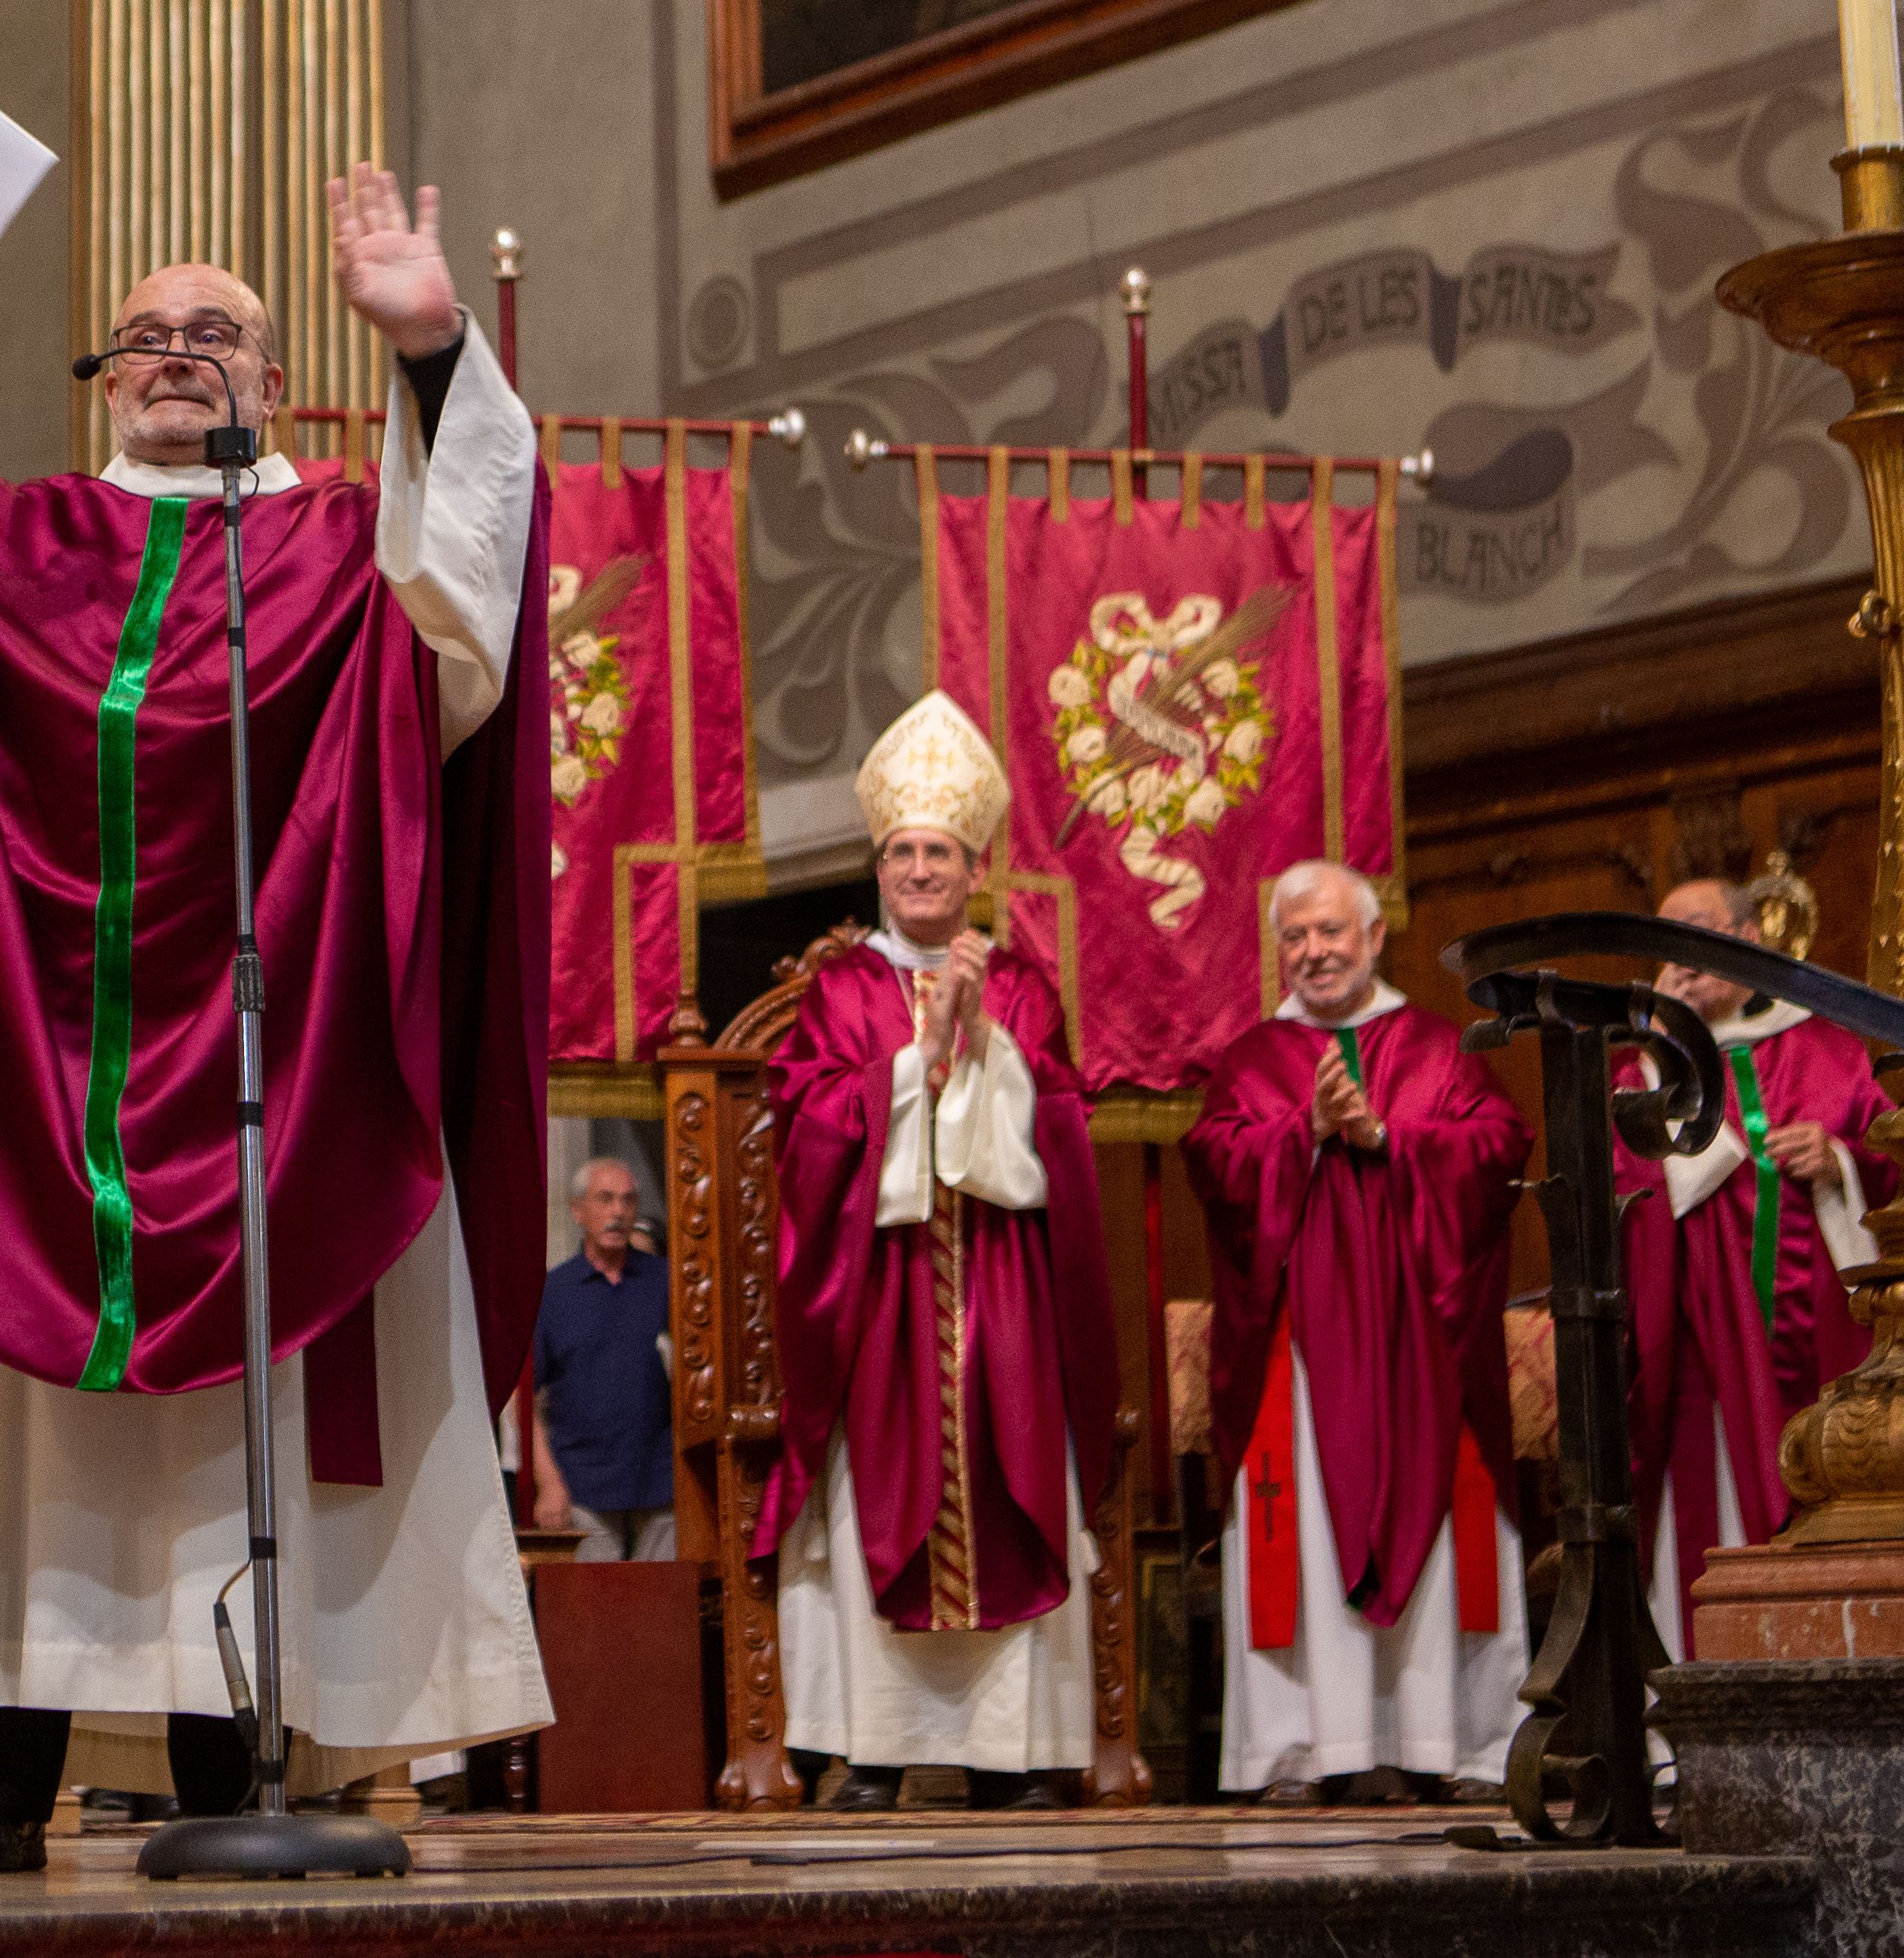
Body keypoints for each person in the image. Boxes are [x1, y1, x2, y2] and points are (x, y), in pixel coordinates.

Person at [0, 165, 553, 1877]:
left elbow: (469, 599)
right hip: (22, 1070)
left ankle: (226, 1753)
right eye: (145, 338)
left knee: (220, 1428)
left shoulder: (336, 550)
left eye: (214, 333)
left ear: (272, 371)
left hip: (272, 1070)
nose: (176, 355)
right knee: (9, 1431)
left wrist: (433, 337)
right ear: (100, 379)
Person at [756, 693, 1115, 1809]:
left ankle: (1011, 1751)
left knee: (1012, 1482)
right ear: (879, 866)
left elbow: (1059, 1119)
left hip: (1000, 1292)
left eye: (941, 853)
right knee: (876, 1497)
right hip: (883, 1298)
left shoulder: (1020, 984)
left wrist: (986, 1042)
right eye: (903, 851)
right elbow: (808, 1124)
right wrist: (911, 1062)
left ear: (975, 869)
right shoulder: (841, 989)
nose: (920, 870)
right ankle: (873, 1746)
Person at [1187, 862, 1532, 1804]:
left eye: (1330, 931)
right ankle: (1300, 1748)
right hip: (1296, 1352)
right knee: (1291, 1522)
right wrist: (1298, 1131)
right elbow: (1213, 1157)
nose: (1312, 951)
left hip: (1423, 1347)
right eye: (1293, 936)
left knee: (1442, 1524)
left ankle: (1453, 1742)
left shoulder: (1435, 1045)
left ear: (1375, 936)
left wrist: (1387, 1137)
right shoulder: (1254, 1058)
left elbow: (1498, 1144)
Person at [1623, 874, 1893, 1658]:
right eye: (1664, 939)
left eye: (1696, 931)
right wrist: (1661, 1050)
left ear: (1745, 937)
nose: (1680, 955)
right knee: (1705, 1505)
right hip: (1697, 1348)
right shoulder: (1639, 1071)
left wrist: (1838, 1159)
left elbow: (1896, 1158)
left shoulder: (1824, 1047)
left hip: (1819, 1340)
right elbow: (1618, 1180)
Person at [525, 1156, 677, 1563]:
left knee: (663, 1613)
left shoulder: (667, 1280)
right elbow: (523, 1403)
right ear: (578, 1211)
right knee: (594, 1619)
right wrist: (549, 1482)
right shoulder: (553, 1293)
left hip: (661, 1483)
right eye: (605, 1199)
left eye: (628, 1201)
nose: (618, 1212)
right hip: (582, 1487)